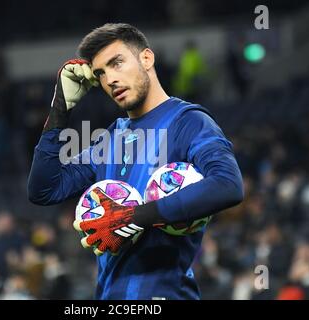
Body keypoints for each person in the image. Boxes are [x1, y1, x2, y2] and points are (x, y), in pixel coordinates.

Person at [28, 23, 243, 300]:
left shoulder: (189, 121)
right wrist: (60, 109)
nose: (110, 80)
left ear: (146, 58)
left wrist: (135, 217)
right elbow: (43, 190)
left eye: (117, 63)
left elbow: (227, 185)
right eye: (100, 73)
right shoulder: (110, 139)